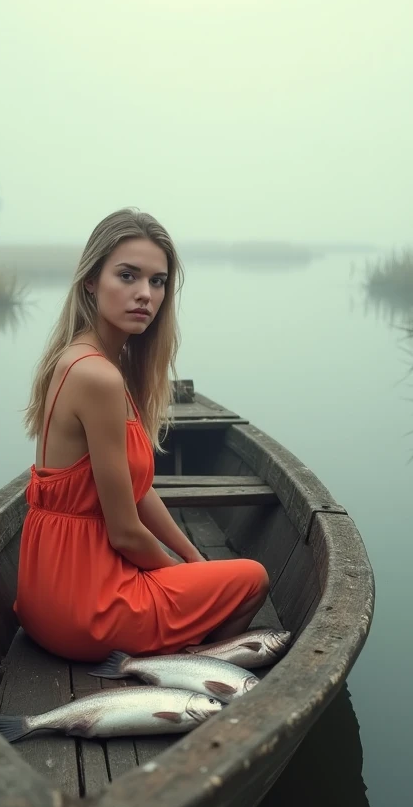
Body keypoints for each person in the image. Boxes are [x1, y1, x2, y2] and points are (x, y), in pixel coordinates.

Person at [14, 208, 269, 662]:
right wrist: (174, 577)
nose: (145, 295)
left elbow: (137, 491)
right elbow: (126, 534)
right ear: (91, 280)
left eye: (157, 281)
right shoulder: (99, 378)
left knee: (211, 576)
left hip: (46, 599)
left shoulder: (85, 359)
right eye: (128, 276)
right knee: (252, 578)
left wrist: (194, 560)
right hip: (87, 608)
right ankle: (191, 669)